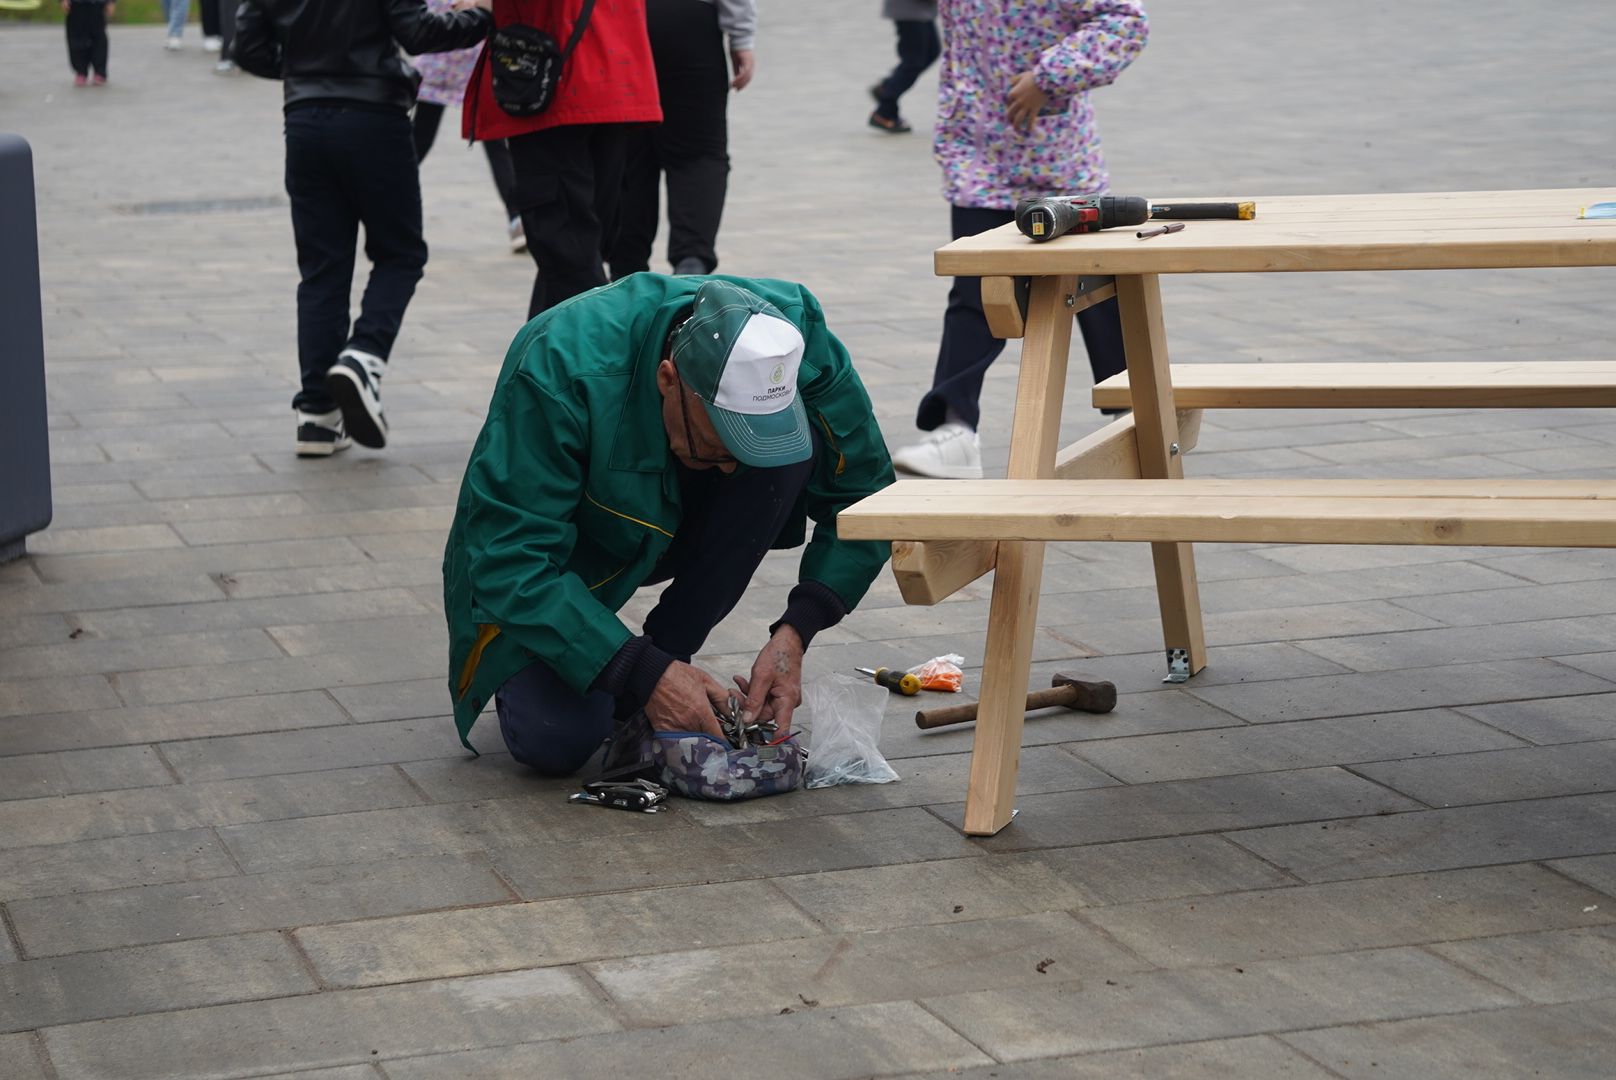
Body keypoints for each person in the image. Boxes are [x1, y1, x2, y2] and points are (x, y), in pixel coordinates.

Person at [443, 275, 894, 774]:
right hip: (571, 551)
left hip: (666, 524)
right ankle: (640, 668)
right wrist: (640, 670)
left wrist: (796, 631)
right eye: (719, 445)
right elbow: (507, 560)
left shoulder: (796, 343)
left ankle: (668, 649)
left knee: (791, 453)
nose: (730, 470)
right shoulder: (559, 365)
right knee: (556, 739)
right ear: (668, 379)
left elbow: (867, 493)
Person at [889, 0, 1149, 480]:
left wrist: (1047, 79)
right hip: (977, 155)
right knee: (975, 289)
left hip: (1056, 157)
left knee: (1097, 290)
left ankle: (1135, 417)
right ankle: (955, 431)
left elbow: (1124, 20)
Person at [234, 0, 494, 457]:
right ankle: (364, 356)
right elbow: (416, 31)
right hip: (373, 116)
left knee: (322, 269)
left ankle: (316, 414)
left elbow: (248, 46)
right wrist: (485, 14)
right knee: (401, 253)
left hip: (305, 118)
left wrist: (304, 71)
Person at [462, 0, 661, 319]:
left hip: (559, 83)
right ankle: (537, 365)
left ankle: (613, 355)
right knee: (573, 250)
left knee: (568, 252)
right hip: (613, 74)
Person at [606, 0, 755, 280]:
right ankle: (691, 261)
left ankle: (625, 270)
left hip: (620, 20)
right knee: (697, 155)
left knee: (627, 155)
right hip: (689, 22)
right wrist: (741, 36)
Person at [408, 0, 525, 253]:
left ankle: (517, 218)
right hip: (444, 61)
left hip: (467, 62)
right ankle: (517, 219)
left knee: (494, 143)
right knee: (419, 142)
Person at [866, 0, 938, 134]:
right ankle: (884, 112)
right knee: (914, 62)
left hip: (921, 10)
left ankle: (887, 87)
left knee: (931, 52)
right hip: (908, 10)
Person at [62, 0, 112, 87]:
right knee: (76, 40)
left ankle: (99, 71)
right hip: (76, 6)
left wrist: (111, 2)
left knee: (99, 39)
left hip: (97, 5)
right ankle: (81, 71)